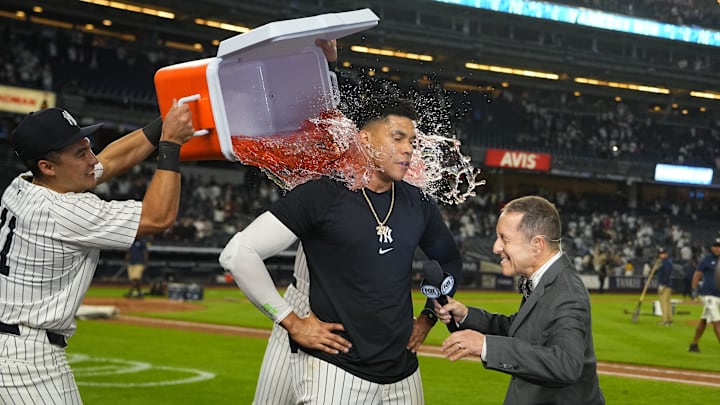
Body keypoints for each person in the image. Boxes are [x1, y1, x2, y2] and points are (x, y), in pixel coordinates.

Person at [219, 95, 463, 404]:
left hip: (404, 373)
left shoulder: (419, 203)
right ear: (364, 138)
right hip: (337, 370)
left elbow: (450, 260)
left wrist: (428, 316)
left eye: (412, 141)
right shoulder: (323, 196)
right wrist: (290, 321)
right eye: (397, 138)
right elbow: (237, 254)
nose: (408, 149)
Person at [0, 103, 194, 403]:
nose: (92, 159)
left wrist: (163, 123)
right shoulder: (63, 211)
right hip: (26, 360)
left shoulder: (20, 185)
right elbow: (159, 217)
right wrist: (170, 144)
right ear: (47, 166)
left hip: (15, 346)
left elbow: (111, 162)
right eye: (80, 154)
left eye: (88, 147)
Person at [433, 195, 605, 405]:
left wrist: (485, 345)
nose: (496, 247)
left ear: (537, 245)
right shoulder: (544, 280)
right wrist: (466, 315)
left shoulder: (566, 293)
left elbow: (567, 364)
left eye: (504, 239)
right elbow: (520, 329)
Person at [688, 238, 720, 352]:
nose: (717, 248)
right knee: (717, 322)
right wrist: (694, 290)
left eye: (719, 246)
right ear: (711, 248)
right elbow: (697, 275)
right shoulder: (706, 260)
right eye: (715, 246)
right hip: (708, 295)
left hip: (718, 295)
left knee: (704, 321)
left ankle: (694, 344)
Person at [654, 247, 674, 326]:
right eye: (660, 254)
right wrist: (656, 268)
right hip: (667, 284)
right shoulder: (663, 262)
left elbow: (666, 274)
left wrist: (662, 284)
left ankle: (665, 320)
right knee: (667, 303)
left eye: (662, 254)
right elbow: (657, 272)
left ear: (666, 254)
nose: (661, 255)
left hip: (665, 285)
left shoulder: (666, 263)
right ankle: (669, 319)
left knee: (664, 303)